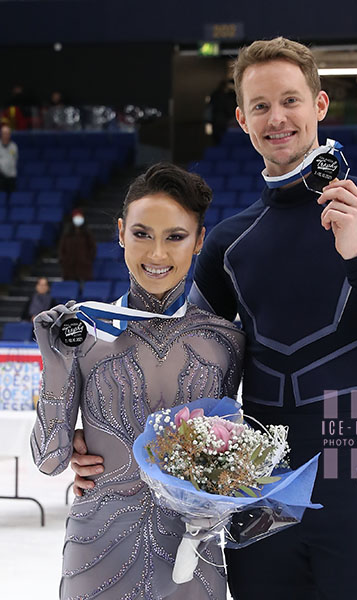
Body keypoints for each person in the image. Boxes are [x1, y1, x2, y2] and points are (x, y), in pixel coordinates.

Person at [73, 38, 357, 599]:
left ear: (319, 105)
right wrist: (102, 440)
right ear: (243, 119)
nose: (278, 118)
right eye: (262, 106)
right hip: (257, 486)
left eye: (291, 100)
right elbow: (180, 366)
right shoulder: (228, 243)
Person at [31, 163, 245, 600]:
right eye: (143, 234)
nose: (157, 254)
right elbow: (49, 462)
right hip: (97, 553)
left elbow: (237, 452)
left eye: (175, 237)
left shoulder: (227, 340)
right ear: (121, 233)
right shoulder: (84, 331)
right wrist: (56, 367)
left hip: (194, 558)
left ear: (199, 240)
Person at [58, 208, 96, 281]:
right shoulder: (67, 234)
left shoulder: (87, 234)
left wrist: (87, 259)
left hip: (84, 267)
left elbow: (92, 248)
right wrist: (64, 260)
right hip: (69, 267)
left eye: (80, 217)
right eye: (76, 217)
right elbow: (62, 249)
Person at [0, 124, 18, 197]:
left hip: (11, 177)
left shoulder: (14, 146)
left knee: (12, 198)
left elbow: (15, 159)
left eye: (7, 133)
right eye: (4, 133)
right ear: (1, 134)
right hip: (0, 177)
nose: (6, 135)